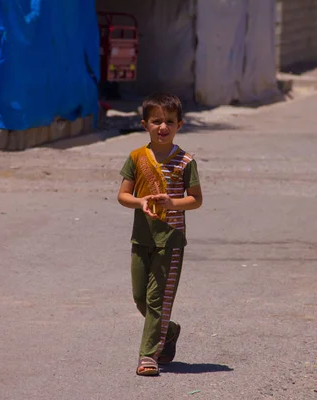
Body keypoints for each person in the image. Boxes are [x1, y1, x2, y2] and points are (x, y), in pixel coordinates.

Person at [117, 93, 203, 376]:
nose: (162, 127)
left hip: (171, 239)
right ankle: (170, 329)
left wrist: (173, 203)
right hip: (141, 238)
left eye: (169, 121)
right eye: (156, 121)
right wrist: (141, 202)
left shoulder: (185, 162)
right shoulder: (136, 158)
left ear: (179, 125)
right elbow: (123, 195)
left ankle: (148, 356)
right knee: (140, 297)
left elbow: (196, 199)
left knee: (158, 300)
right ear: (145, 125)